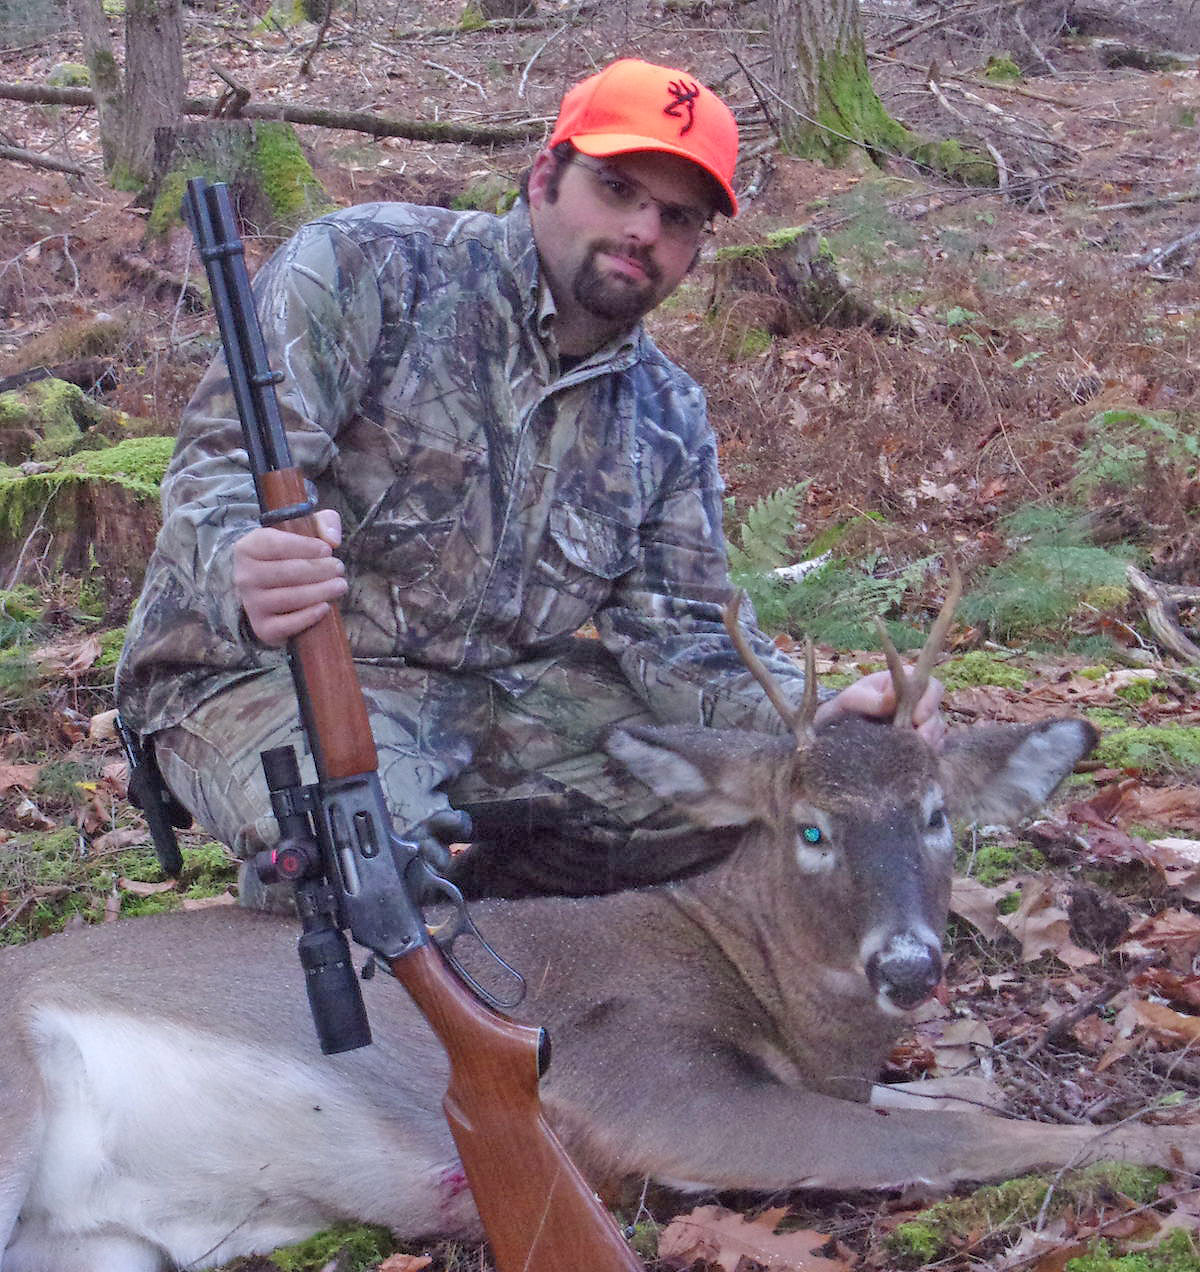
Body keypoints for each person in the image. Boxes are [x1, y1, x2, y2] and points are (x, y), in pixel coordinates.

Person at [116, 57, 941, 904]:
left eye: (677, 217)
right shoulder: (367, 266)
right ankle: (341, 899)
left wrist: (819, 716)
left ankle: (497, 893)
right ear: (545, 174)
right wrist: (241, 565)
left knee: (773, 800)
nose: (643, 231)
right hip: (256, 673)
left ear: (696, 249)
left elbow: (683, 636)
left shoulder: (665, 416)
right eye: (617, 189)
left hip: (499, 694)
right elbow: (218, 471)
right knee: (367, 851)